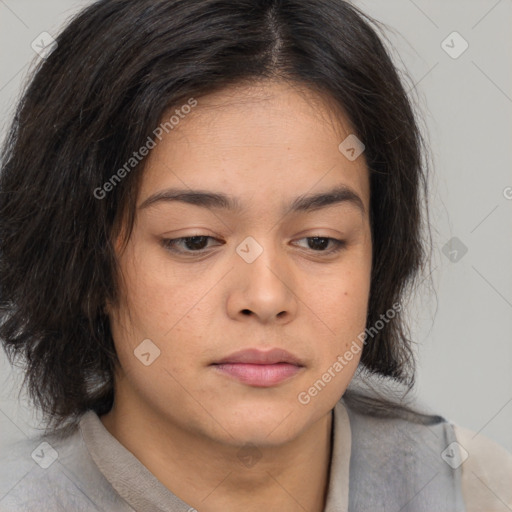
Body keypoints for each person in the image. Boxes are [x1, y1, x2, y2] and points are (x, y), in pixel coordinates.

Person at [0, 0, 510, 511]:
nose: (266, 297)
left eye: (319, 241)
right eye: (195, 241)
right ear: (84, 264)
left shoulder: (474, 488)